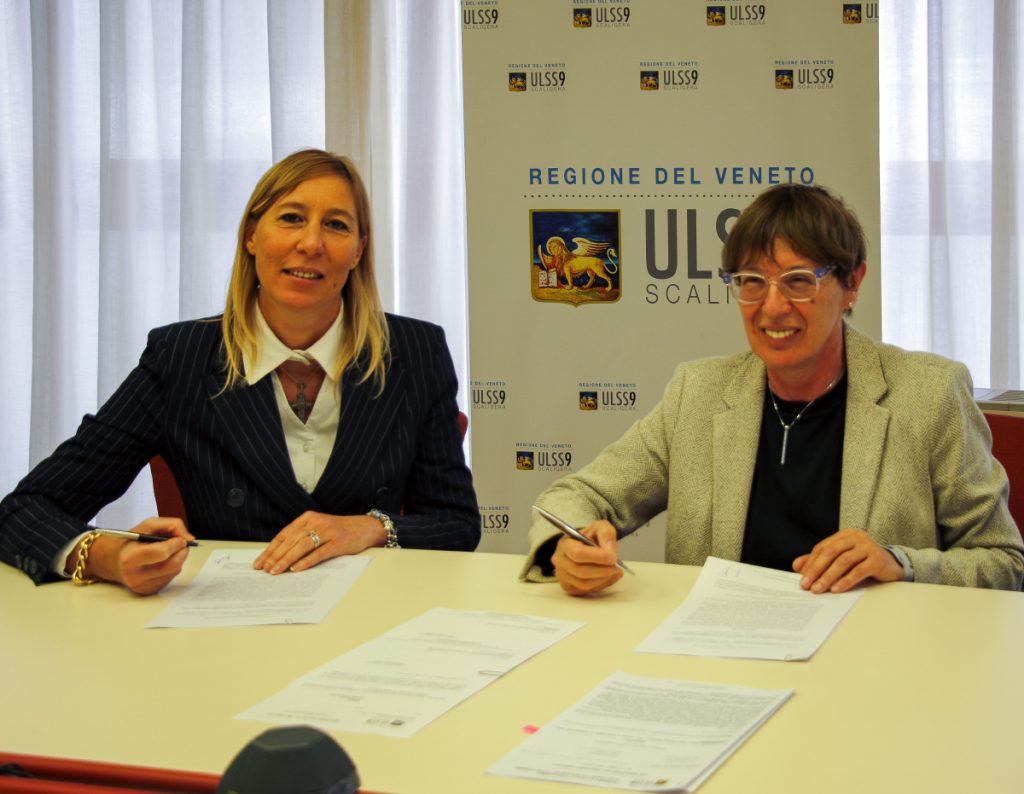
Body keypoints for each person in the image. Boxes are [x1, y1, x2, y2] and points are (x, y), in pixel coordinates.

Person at [0, 149, 480, 594]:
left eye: (336, 225)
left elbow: (456, 523)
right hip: (224, 624)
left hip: (369, 614)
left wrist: (369, 527)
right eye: (291, 218)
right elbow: (24, 511)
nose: (311, 243)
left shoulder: (415, 351)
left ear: (358, 250)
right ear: (252, 235)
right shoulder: (180, 356)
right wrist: (108, 556)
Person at [522, 183, 1024, 595]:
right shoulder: (698, 393)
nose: (773, 307)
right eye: (752, 281)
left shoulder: (929, 394)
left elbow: (1004, 562)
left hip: (868, 663)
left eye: (799, 280)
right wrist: (568, 546)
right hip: (719, 659)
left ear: (852, 283)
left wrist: (901, 563)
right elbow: (574, 496)